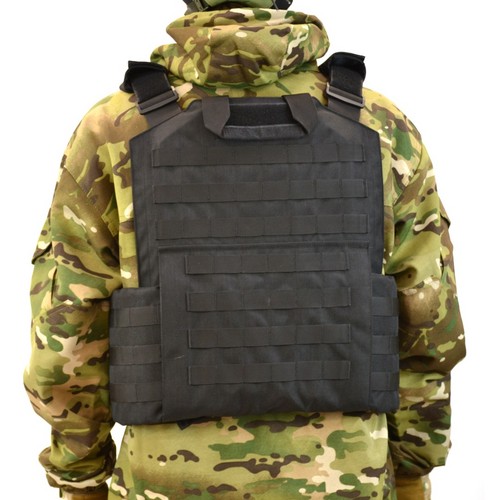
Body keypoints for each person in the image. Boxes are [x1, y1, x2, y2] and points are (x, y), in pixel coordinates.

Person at [24, 0, 466, 499]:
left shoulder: (113, 129)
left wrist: (79, 474)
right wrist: (412, 466)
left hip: (164, 481)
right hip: (349, 478)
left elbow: (67, 327)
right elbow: (428, 318)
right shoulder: (381, 125)